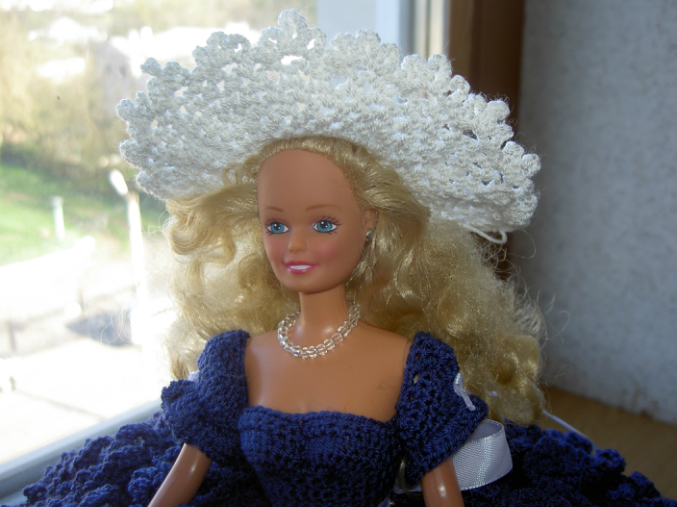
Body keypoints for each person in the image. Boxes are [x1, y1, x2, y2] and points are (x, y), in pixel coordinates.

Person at [13, 9, 675, 507]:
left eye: (323, 222)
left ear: (371, 225)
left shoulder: (410, 365)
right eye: (276, 224)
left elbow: (442, 491)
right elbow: (181, 479)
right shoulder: (236, 360)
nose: (294, 245)